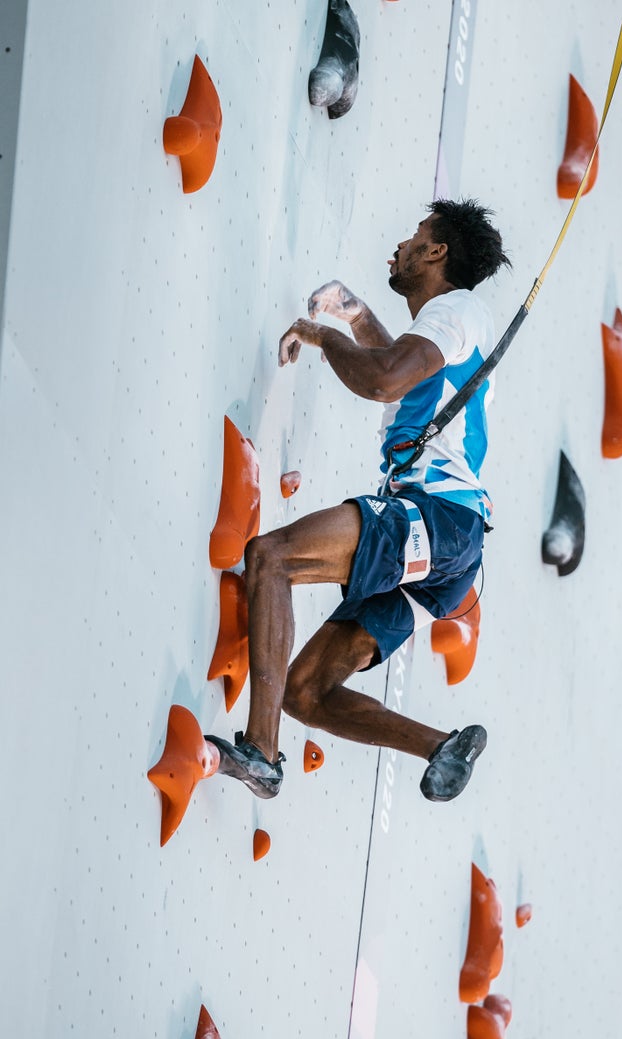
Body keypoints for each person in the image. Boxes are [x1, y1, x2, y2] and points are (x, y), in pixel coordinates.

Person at [205, 198, 511, 803]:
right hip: (451, 551)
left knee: (272, 557)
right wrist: (355, 313)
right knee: (306, 691)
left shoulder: (457, 310)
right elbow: (398, 371)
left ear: (436, 251)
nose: (399, 246)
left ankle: (261, 753)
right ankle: (441, 748)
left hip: (438, 520)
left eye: (414, 236)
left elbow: (381, 379)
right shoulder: (449, 338)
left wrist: (319, 332)